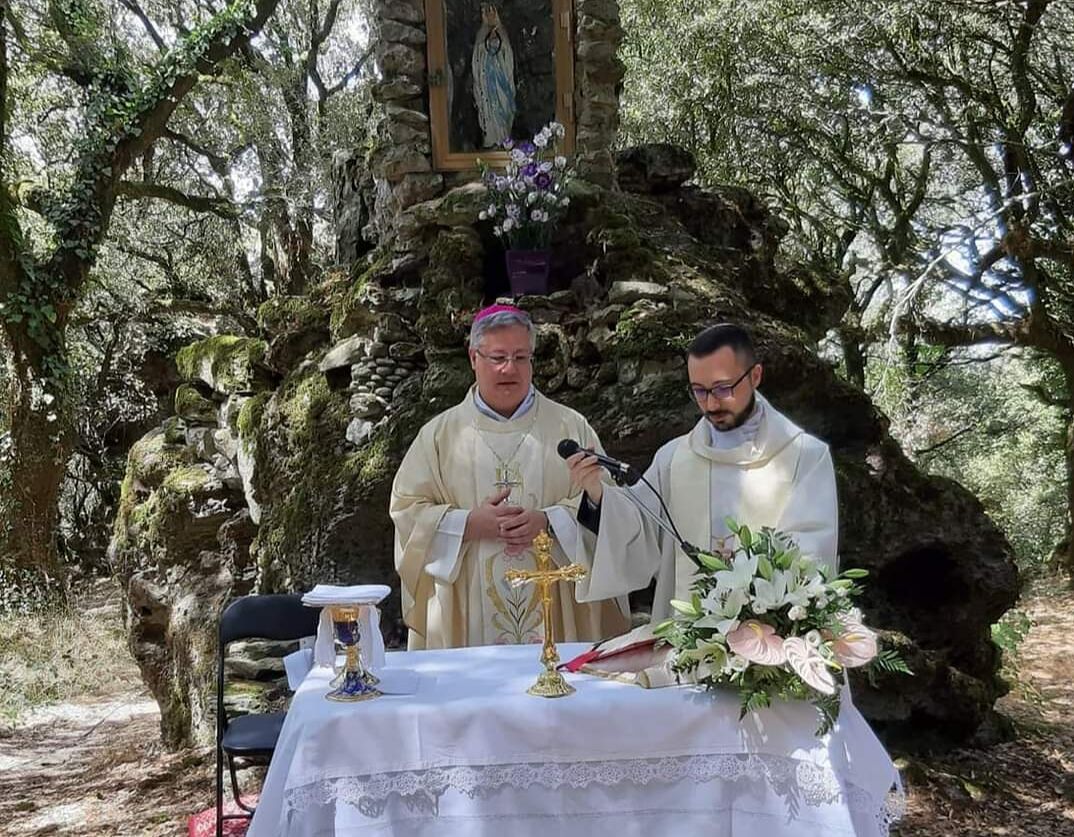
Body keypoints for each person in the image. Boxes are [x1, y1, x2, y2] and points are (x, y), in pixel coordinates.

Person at [391, 305, 629, 649]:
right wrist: (468, 524)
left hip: (557, 604)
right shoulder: (439, 436)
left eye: (521, 357)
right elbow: (406, 511)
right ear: (474, 358)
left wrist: (548, 522)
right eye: (497, 357)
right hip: (469, 616)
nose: (509, 369)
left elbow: (605, 503)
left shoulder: (570, 428)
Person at [565, 323, 838, 621]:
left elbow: (812, 555)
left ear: (755, 376)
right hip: (688, 642)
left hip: (771, 640)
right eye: (699, 391)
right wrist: (597, 494)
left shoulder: (803, 457)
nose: (710, 403)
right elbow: (640, 529)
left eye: (723, 388)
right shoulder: (674, 458)